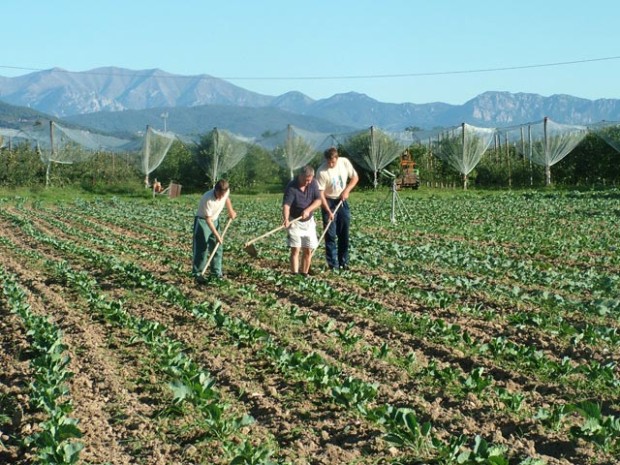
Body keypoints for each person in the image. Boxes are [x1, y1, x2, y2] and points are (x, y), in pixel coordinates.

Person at [316, 147, 359, 271]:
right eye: (328, 162)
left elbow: (355, 178)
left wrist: (347, 190)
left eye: (333, 162)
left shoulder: (344, 162)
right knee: (330, 234)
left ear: (337, 158)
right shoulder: (322, 172)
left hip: (342, 200)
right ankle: (333, 265)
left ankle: (343, 262)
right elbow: (321, 194)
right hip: (328, 201)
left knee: (343, 232)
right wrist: (328, 211)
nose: (330, 164)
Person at [192, 179, 237, 283]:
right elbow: (208, 219)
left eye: (223, 194)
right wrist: (217, 235)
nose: (221, 197)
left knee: (218, 247)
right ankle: (198, 274)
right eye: (219, 195)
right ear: (215, 190)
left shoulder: (225, 191)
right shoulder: (208, 199)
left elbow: (226, 199)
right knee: (201, 248)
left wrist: (231, 211)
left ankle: (216, 273)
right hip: (203, 221)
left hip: (215, 220)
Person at [282, 165, 323, 276]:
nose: (308, 182)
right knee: (295, 249)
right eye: (306, 180)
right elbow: (286, 205)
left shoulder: (313, 183)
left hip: (308, 222)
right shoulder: (291, 187)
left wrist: (308, 210)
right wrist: (286, 219)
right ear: (300, 176)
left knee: (308, 249)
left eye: (309, 180)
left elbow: (318, 201)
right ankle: (294, 274)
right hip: (294, 221)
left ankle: (304, 274)